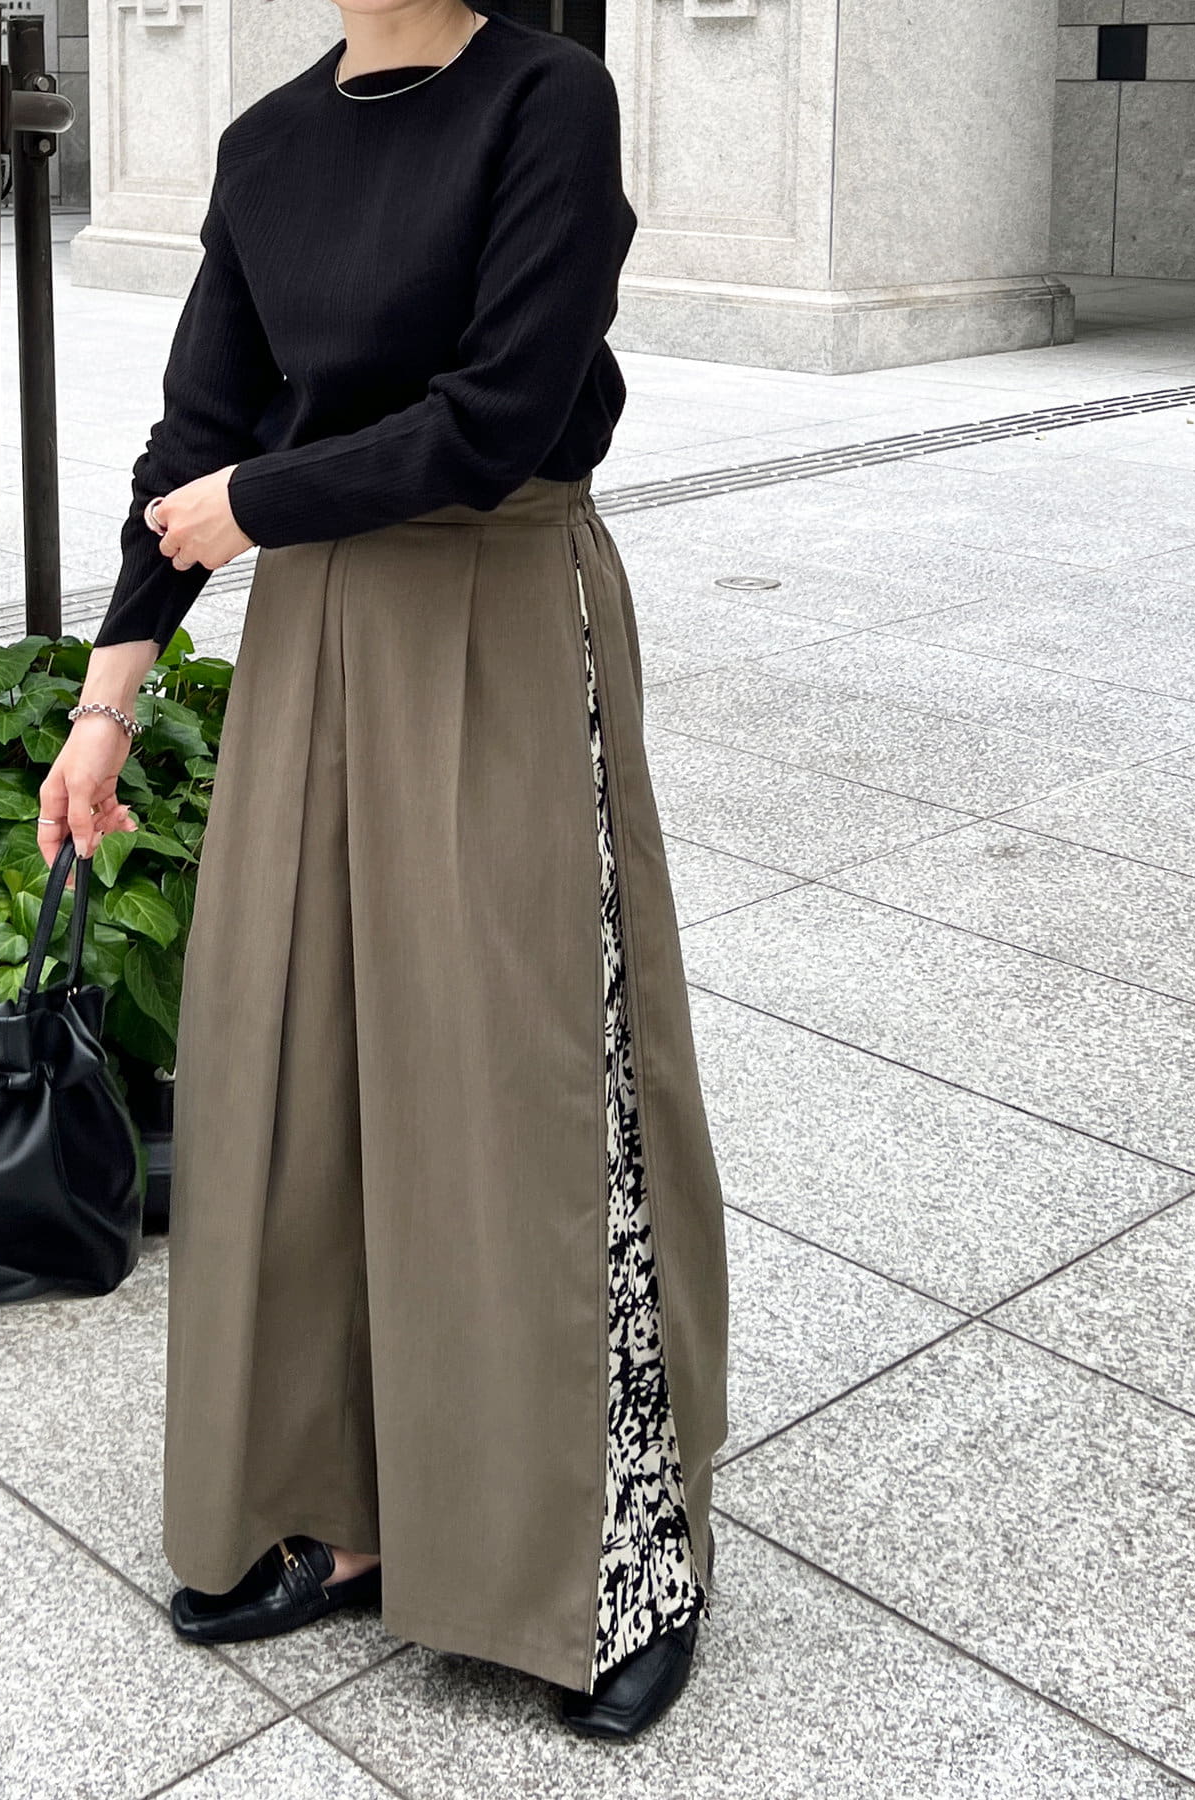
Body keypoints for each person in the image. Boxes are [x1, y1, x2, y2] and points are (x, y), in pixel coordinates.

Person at [37, 0, 730, 1740]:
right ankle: (339, 1511)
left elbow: (501, 414)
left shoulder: (546, 101)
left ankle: (616, 1559)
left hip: (500, 609)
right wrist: (107, 704)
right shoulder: (271, 142)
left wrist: (259, 502)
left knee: (525, 1079)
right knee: (305, 1071)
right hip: (314, 639)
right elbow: (195, 432)